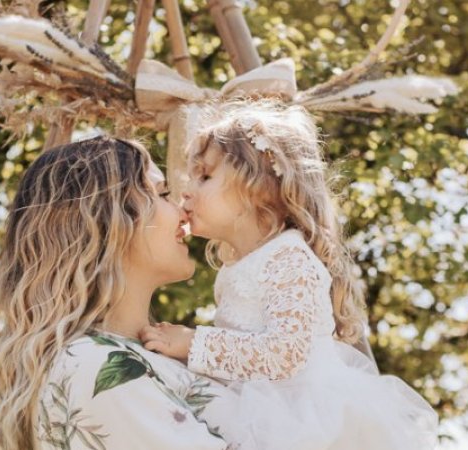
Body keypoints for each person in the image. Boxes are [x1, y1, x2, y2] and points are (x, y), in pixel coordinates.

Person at [140, 102, 439, 450]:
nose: (187, 190)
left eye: (205, 176)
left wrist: (193, 344)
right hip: (264, 405)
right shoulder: (241, 264)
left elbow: (285, 352)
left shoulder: (289, 257)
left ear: (260, 188)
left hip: (305, 417)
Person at [0, 136, 244, 450]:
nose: (183, 210)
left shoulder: (140, 354)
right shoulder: (97, 365)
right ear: (108, 221)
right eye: (161, 193)